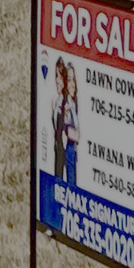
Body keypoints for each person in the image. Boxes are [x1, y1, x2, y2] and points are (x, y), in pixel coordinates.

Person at [51, 57, 79, 192]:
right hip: (58, 149)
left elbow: (77, 132)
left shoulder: (70, 105)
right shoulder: (56, 102)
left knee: (71, 186)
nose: (57, 81)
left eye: (60, 78)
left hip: (68, 149)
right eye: (56, 76)